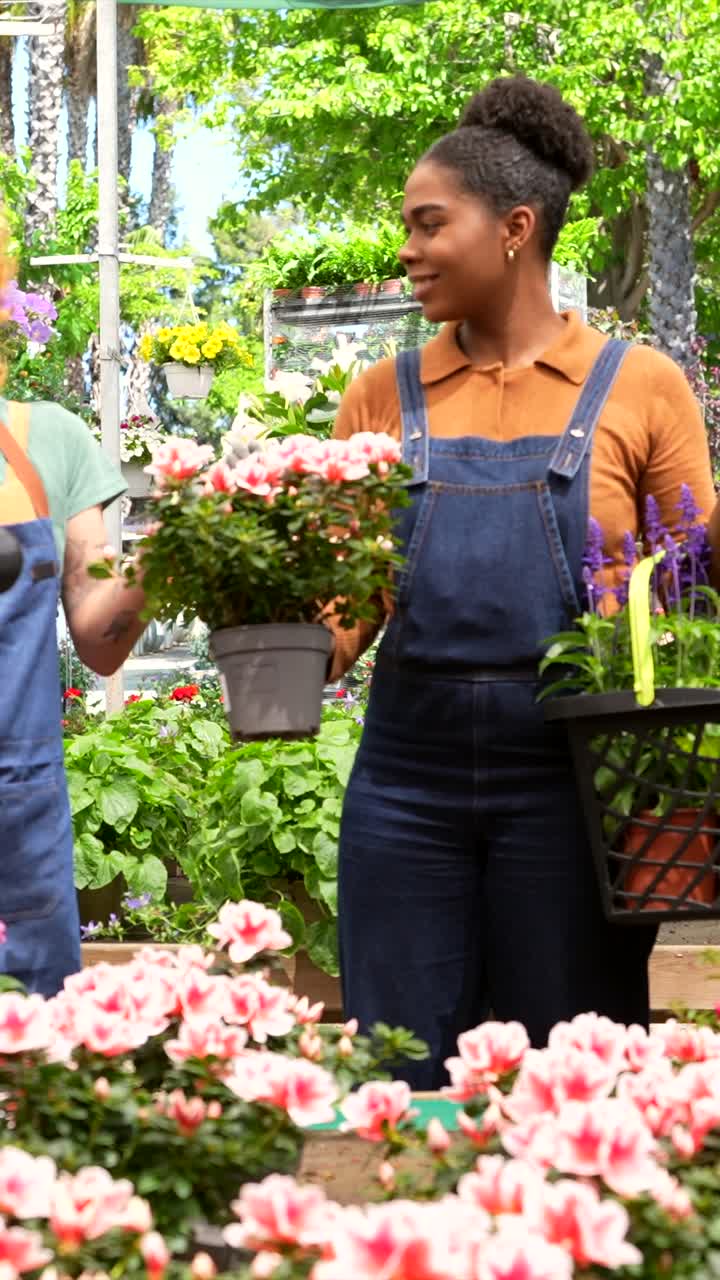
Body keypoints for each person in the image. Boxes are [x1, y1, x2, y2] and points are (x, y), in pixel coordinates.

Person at [326, 75, 719, 1089]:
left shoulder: (640, 385)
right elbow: (345, 609)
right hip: (403, 789)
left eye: (427, 223)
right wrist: (269, 619)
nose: (406, 249)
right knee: (397, 1079)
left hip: (575, 791)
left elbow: (695, 589)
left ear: (514, 227)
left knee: (572, 1085)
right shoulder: (382, 396)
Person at [0, 221, 149, 997]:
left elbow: (99, 635)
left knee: (32, 1069)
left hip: (16, 817)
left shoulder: (47, 439)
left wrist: (162, 563)